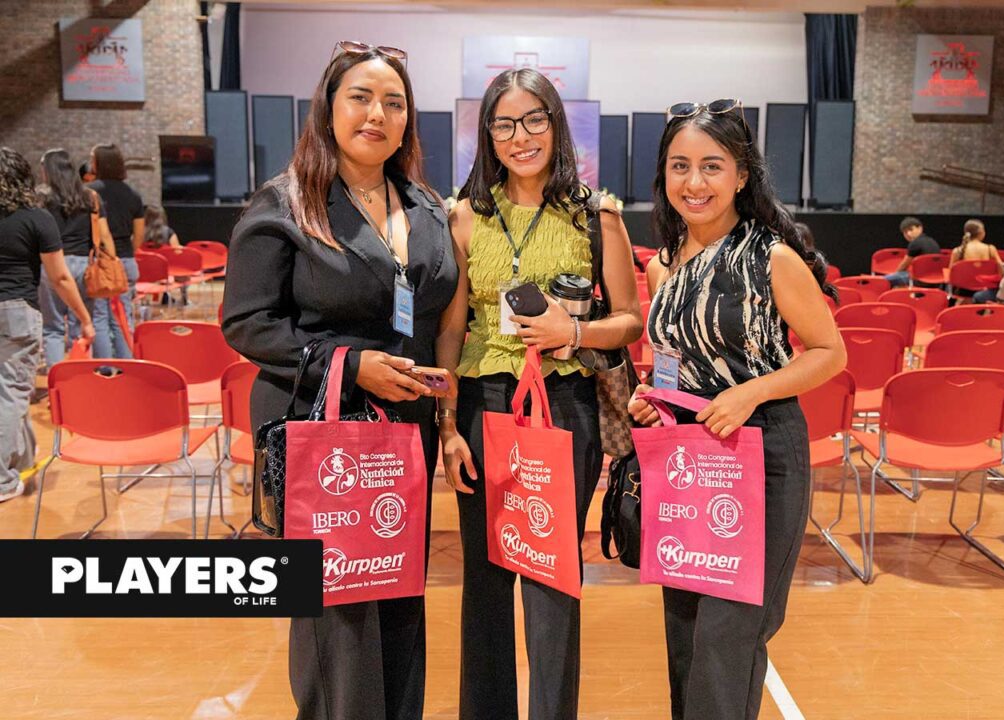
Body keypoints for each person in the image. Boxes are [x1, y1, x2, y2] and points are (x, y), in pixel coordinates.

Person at [221, 41, 456, 720]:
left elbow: (435, 308)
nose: (376, 113)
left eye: (394, 101)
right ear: (328, 109)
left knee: (398, 595)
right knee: (338, 612)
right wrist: (352, 365)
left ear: (409, 119)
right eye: (360, 97)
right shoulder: (286, 203)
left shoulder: (423, 205)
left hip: (403, 435)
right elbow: (247, 325)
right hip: (320, 432)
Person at [626, 100, 845, 719]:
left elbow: (831, 352)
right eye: (679, 166)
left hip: (762, 453)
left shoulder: (771, 257)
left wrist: (751, 392)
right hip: (688, 461)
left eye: (712, 167)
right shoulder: (663, 264)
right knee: (685, 635)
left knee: (729, 637)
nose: (694, 183)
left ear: (743, 175)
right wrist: (656, 397)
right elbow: (670, 356)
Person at [435, 68, 642, 720]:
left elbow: (630, 319)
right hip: (480, 406)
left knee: (554, 574)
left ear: (556, 126)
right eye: (504, 123)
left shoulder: (596, 215)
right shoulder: (464, 217)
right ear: (486, 134)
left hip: (566, 406)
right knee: (487, 581)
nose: (519, 136)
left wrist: (571, 328)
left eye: (533, 120)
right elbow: (450, 326)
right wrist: (445, 427)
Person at [0, 147, 94, 502]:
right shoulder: (35, 218)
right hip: (16, 312)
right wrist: (84, 318)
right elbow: (61, 279)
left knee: (8, 391)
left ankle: (22, 458)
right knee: (11, 393)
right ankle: (3, 479)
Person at [36, 148, 116, 370]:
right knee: (83, 324)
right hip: (84, 266)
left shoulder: (41, 199)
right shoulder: (91, 197)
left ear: (48, 170)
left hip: (51, 265)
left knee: (52, 328)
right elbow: (104, 235)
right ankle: (83, 379)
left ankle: (57, 384)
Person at [88, 143, 144, 357]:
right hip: (126, 261)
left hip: (100, 264)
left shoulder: (91, 192)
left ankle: (104, 369)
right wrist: (127, 253)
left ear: (98, 163)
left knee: (100, 317)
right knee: (123, 316)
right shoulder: (133, 195)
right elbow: (139, 235)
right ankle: (126, 367)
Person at [143, 205, 187, 305]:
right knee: (184, 270)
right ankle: (184, 299)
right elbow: (178, 253)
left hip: (144, 274)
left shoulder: (140, 234)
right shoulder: (169, 233)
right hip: (166, 274)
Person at [884, 216, 939, 287]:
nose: (908, 234)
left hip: (919, 279)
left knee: (882, 280)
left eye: (911, 230)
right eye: (905, 232)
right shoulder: (932, 241)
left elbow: (902, 267)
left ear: (920, 228)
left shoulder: (915, 244)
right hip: (936, 279)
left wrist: (894, 275)